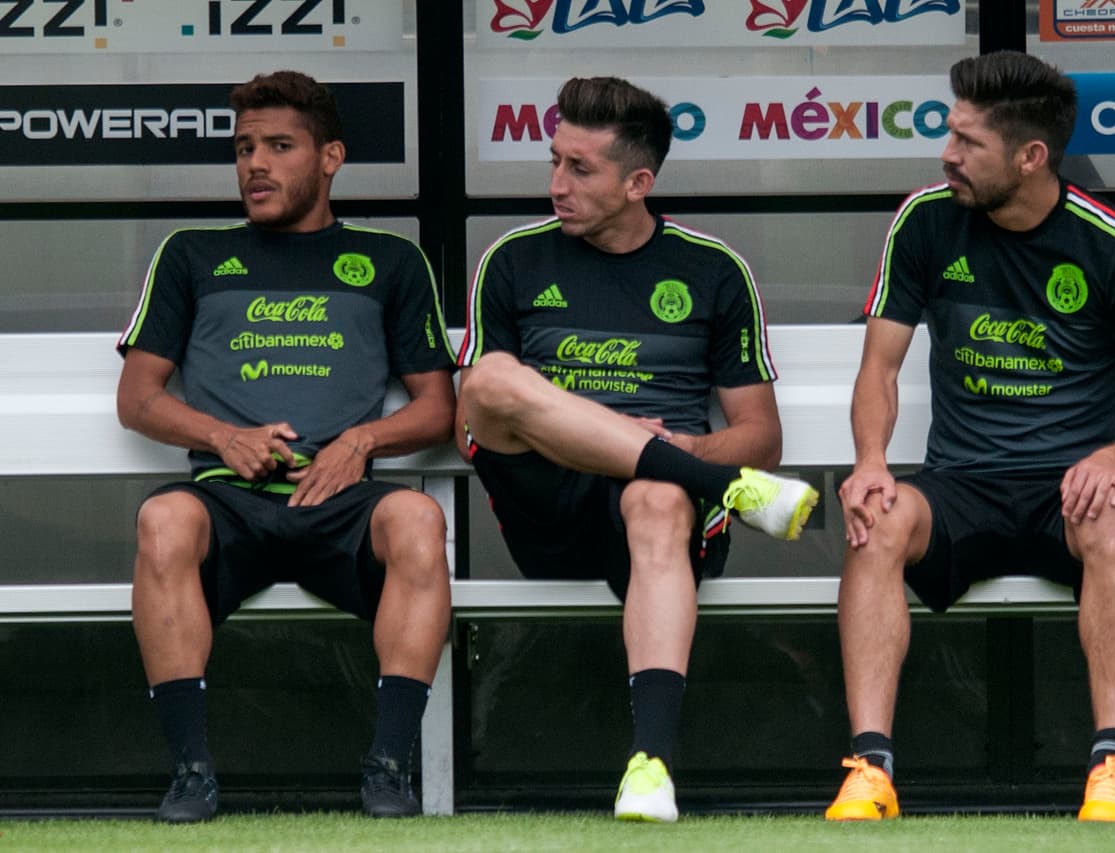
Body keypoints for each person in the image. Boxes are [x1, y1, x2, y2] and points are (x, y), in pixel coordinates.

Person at [825, 51, 1115, 823]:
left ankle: (1111, 764)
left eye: (967, 142)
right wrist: (871, 463)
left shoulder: (1114, 245)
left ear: (1031, 156)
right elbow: (880, 368)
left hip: (1069, 486)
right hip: (961, 483)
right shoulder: (925, 219)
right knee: (874, 519)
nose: (947, 155)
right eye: (949, 135)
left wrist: (1112, 458)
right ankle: (869, 768)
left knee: (1112, 513)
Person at [455, 76, 820, 823]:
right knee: (489, 377)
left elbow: (760, 435)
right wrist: (653, 449)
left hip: (658, 520)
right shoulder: (513, 260)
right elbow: (473, 424)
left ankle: (650, 765)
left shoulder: (712, 270)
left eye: (579, 169)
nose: (556, 184)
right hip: (547, 507)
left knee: (655, 493)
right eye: (554, 161)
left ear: (638, 182)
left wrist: (686, 445)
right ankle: (717, 486)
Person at [115, 70, 457, 822]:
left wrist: (362, 440)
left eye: (278, 146)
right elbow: (137, 398)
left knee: (420, 521)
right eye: (243, 148)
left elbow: (439, 410)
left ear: (330, 157)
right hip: (227, 500)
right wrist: (221, 435)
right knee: (162, 520)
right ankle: (191, 771)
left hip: (339, 500)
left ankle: (389, 766)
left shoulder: (390, 261)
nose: (255, 165)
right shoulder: (192, 254)